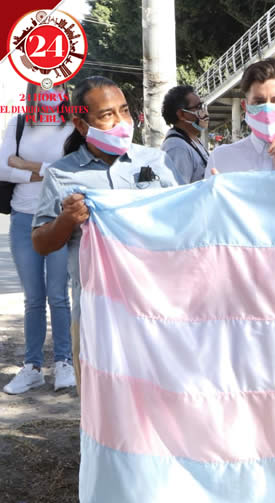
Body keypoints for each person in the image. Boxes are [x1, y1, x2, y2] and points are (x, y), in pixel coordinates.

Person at [32, 76, 180, 393]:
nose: (121, 122)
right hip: (95, 314)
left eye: (124, 110)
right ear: (81, 124)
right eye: (106, 115)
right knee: (102, 403)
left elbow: (185, 219)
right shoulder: (61, 174)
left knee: (159, 399)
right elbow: (41, 243)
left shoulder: (155, 161)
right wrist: (66, 220)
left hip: (156, 307)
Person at [0, 83, 75, 394]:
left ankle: (64, 363)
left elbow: (71, 171)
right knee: (33, 298)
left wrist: (26, 166)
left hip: (59, 219)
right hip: (23, 218)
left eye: (57, 84)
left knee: (58, 295)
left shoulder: (72, 125)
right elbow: (2, 168)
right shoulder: (18, 123)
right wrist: (43, 172)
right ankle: (31, 367)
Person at [161, 85, 209, 184]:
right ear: (181, 114)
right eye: (198, 107)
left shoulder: (192, 140)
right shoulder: (177, 148)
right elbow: (178, 190)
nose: (204, 113)